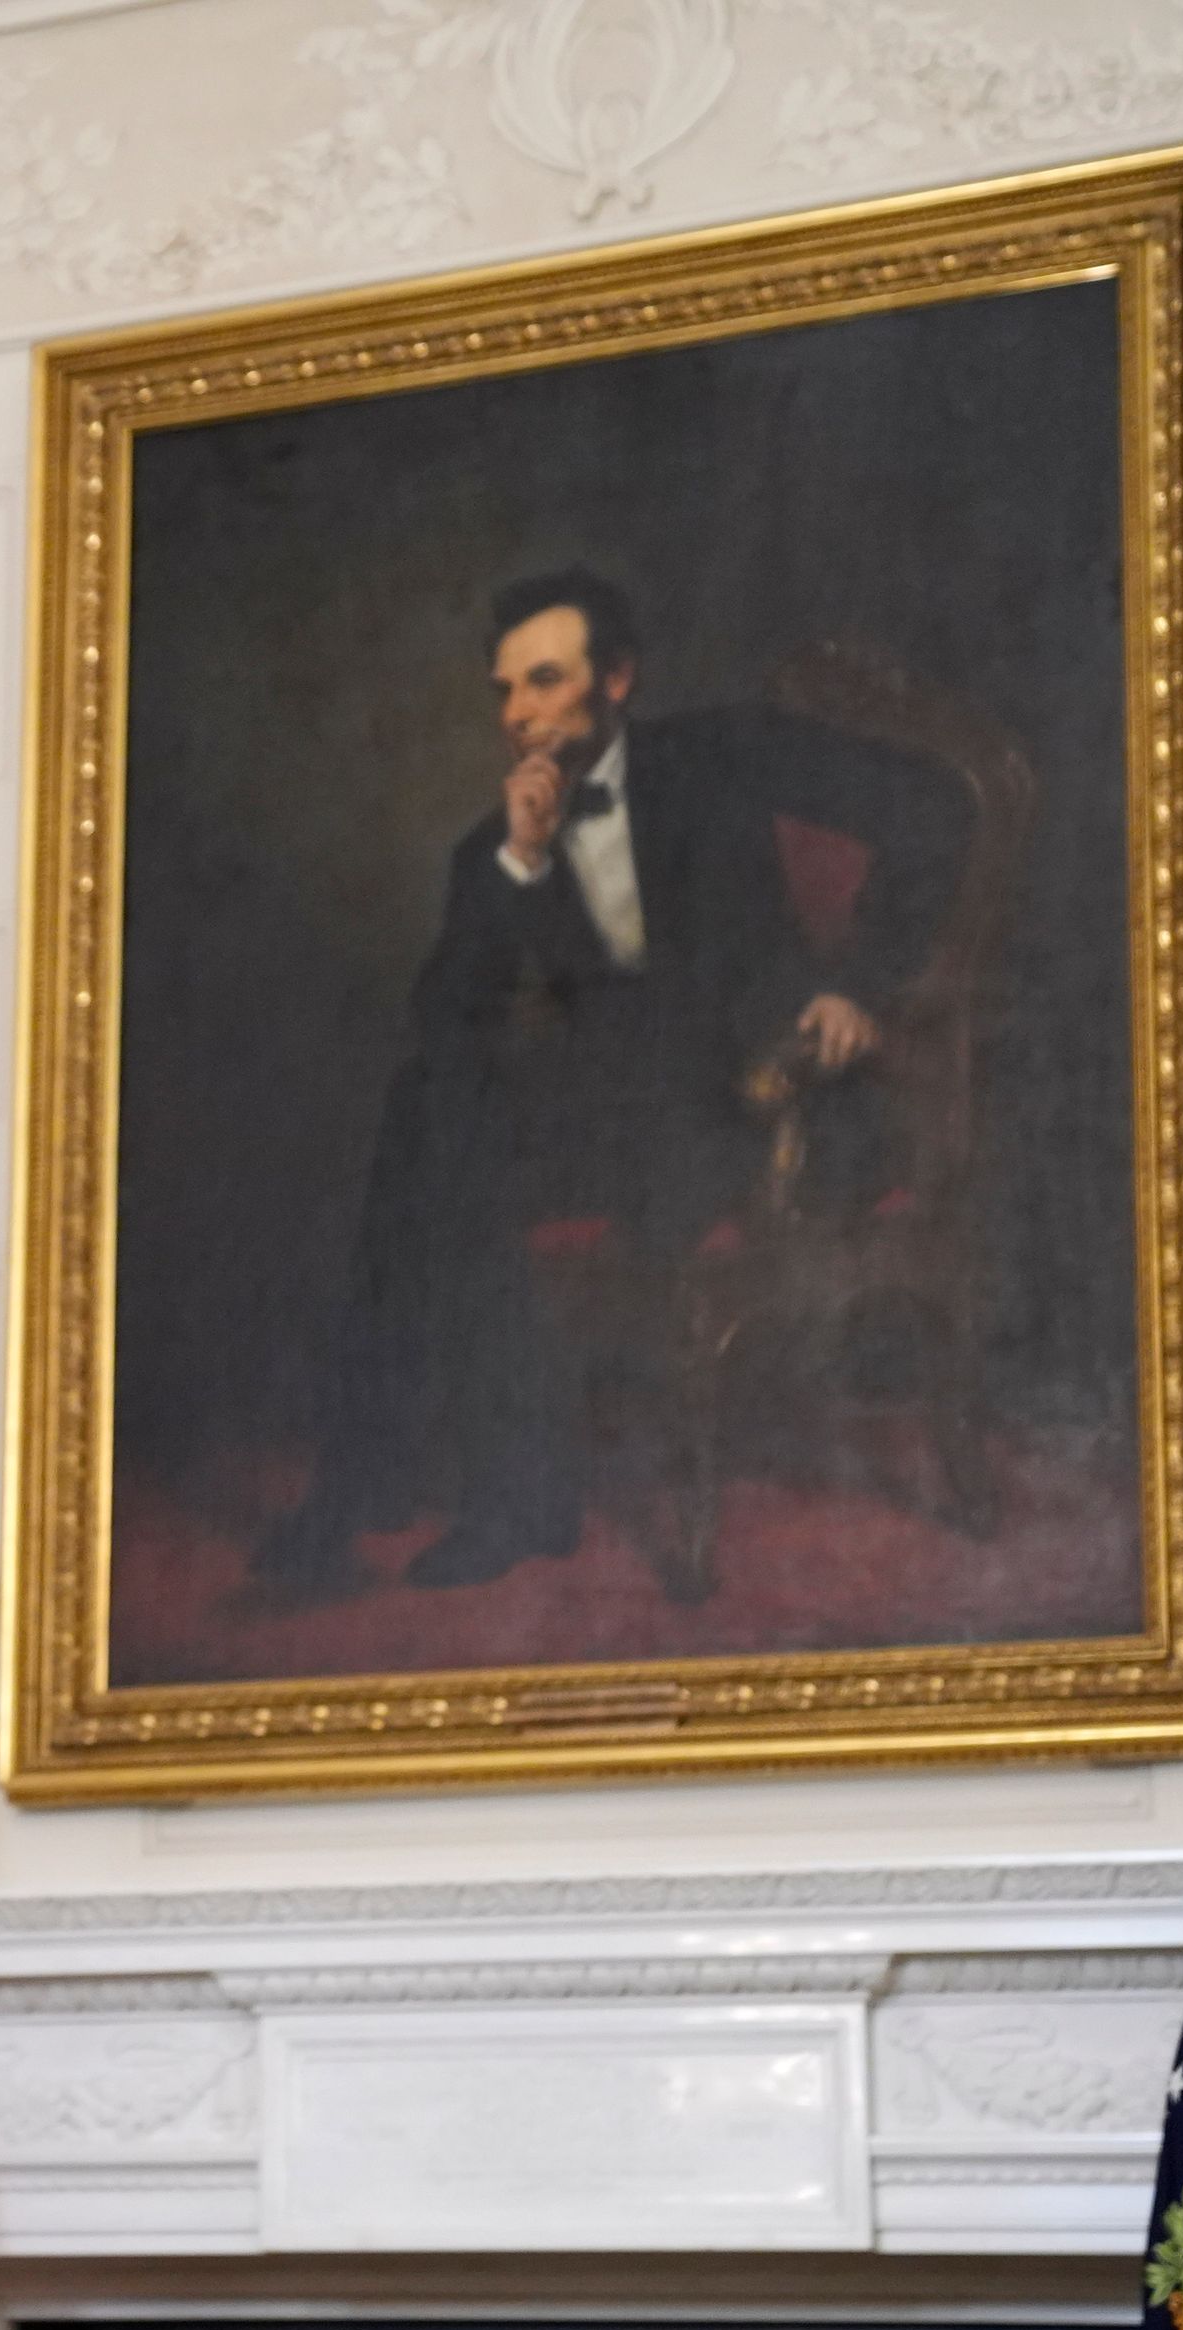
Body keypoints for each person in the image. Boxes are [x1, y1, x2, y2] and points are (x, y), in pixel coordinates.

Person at [259, 568, 973, 1598]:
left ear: (620, 677)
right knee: (431, 1109)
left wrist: (855, 984)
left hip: (769, 1104)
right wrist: (522, 863)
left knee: (444, 1138)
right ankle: (459, 1493)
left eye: (545, 680)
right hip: (624, 1127)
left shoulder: (726, 752)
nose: (520, 715)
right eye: (504, 692)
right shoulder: (495, 847)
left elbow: (934, 809)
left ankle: (419, 1491)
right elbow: (444, 1023)